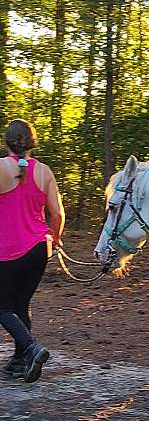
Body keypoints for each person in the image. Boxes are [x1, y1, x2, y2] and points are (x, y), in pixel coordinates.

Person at [0, 119, 64, 381]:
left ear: (7, 142)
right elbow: (57, 214)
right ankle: (19, 361)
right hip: (39, 248)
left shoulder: (1, 167)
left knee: (2, 306)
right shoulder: (45, 171)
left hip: (7, 250)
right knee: (20, 304)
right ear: (32, 143)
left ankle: (31, 347)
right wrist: (56, 239)